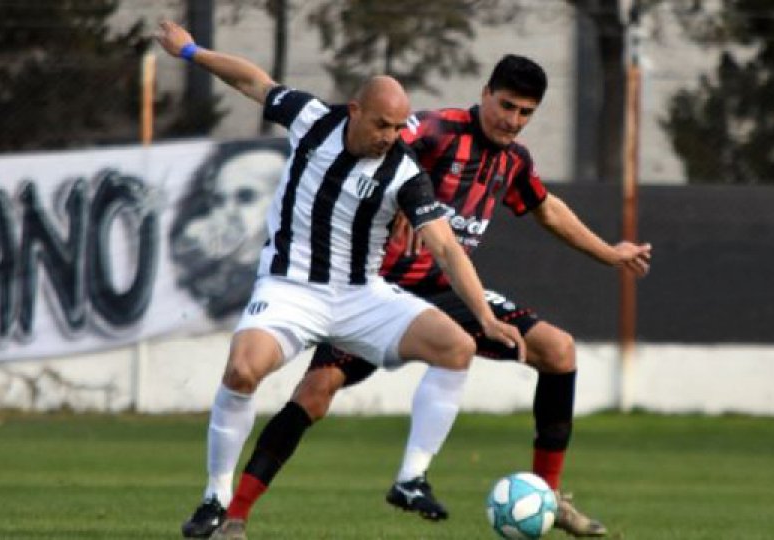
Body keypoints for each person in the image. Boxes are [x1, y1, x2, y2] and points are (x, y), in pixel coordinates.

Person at [183, 52, 652, 539]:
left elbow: (546, 210)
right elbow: (384, 142)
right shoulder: (435, 129)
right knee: (315, 393)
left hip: (446, 291)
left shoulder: (513, 161)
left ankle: (547, 497)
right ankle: (233, 512)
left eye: (525, 113)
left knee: (558, 350)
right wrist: (399, 201)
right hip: (379, 286)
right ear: (485, 94)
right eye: (506, 106)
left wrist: (609, 253)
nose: (513, 121)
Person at [155, 21, 526, 540]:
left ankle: (411, 477)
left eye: (399, 128)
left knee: (457, 346)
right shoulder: (311, 119)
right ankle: (216, 498)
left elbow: (444, 245)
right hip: (291, 288)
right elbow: (253, 82)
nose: (389, 138)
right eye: (380, 125)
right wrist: (191, 51)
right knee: (242, 372)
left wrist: (486, 317)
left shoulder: (403, 173)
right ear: (355, 111)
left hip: (359, 295)